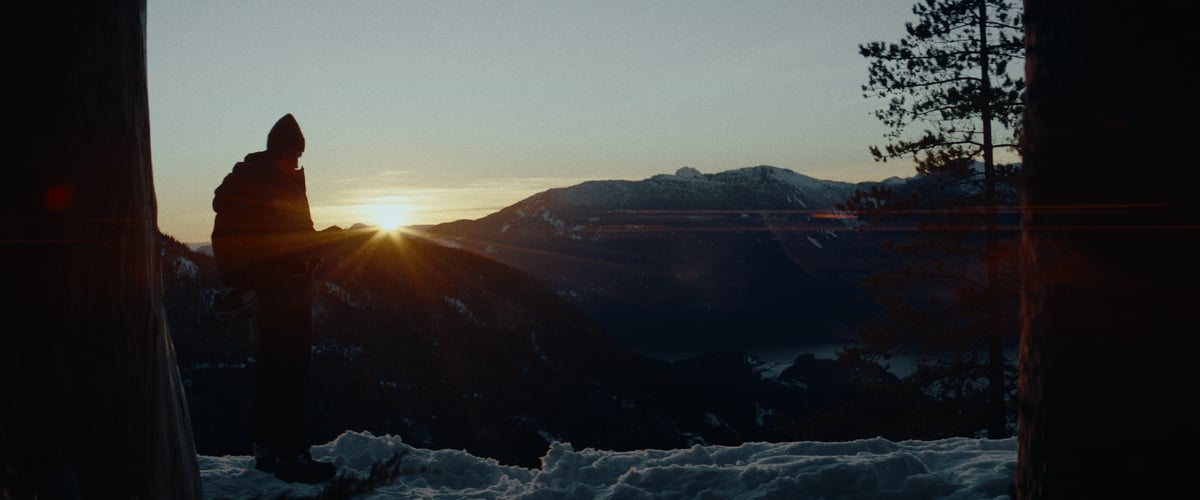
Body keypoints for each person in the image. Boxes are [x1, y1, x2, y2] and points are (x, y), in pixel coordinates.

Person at [211, 113, 335, 483]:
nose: (297, 161)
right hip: (288, 292)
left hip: (266, 293)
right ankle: (293, 456)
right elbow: (289, 240)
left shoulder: (247, 181)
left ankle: (267, 450)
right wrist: (325, 243)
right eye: (295, 153)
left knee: (270, 372)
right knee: (291, 376)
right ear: (286, 150)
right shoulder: (277, 183)